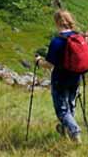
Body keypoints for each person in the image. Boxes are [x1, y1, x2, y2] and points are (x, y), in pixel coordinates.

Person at [36, 10, 84, 143]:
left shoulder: (57, 41)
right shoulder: (78, 37)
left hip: (60, 78)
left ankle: (75, 132)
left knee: (62, 110)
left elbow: (50, 64)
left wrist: (39, 61)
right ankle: (65, 129)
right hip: (75, 77)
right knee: (70, 105)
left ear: (57, 23)